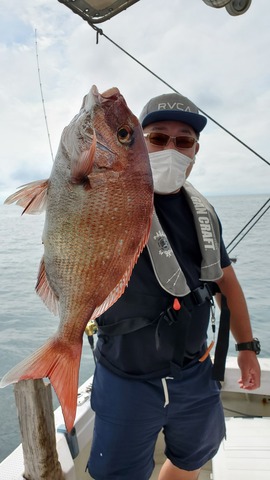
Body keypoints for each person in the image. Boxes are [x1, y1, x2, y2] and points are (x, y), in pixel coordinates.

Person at [87, 92, 261, 480]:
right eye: (157, 138)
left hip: (195, 373)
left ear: (195, 151)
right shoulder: (111, 196)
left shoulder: (204, 213)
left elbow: (225, 283)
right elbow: (81, 177)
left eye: (183, 141)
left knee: (190, 458)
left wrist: (248, 347)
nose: (171, 148)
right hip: (126, 378)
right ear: (137, 143)